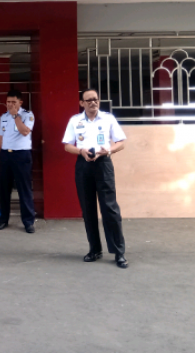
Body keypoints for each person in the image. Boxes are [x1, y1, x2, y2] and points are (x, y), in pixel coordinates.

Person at [62, 88, 128, 269]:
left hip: (103, 164)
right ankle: (94, 249)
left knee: (110, 208)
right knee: (88, 209)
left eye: (96, 99)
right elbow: (67, 145)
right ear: (81, 103)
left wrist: (109, 150)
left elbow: (121, 142)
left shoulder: (108, 118)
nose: (93, 102)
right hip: (83, 165)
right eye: (88, 100)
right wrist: (81, 151)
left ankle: (118, 252)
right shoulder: (75, 121)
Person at [0, 89, 36, 233]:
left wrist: (16, 116)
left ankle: (28, 222)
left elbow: (24, 131)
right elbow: (1, 136)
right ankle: (3, 219)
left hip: (21, 155)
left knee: (24, 189)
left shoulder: (28, 115)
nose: (10, 105)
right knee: (4, 189)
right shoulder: (3, 116)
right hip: (6, 155)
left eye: (13, 102)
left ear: (20, 102)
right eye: (8, 102)